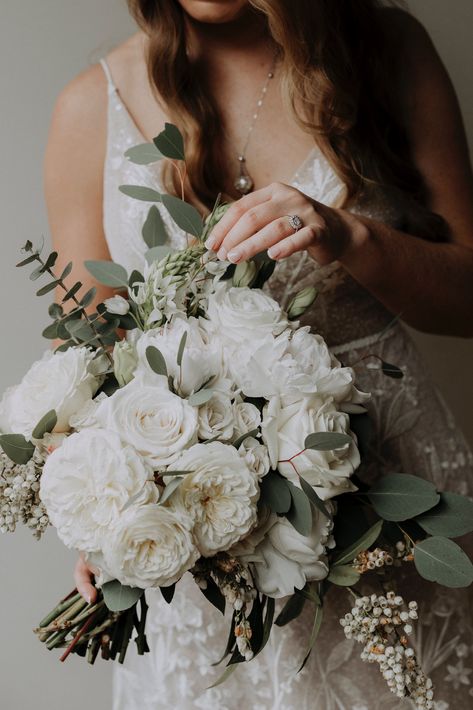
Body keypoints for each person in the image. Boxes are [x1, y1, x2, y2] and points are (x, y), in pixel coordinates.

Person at [44, 1, 473, 708]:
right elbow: (91, 360)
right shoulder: (91, 104)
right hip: (196, 524)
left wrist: (350, 238)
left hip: (387, 505)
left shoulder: (385, 51)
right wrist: (98, 505)